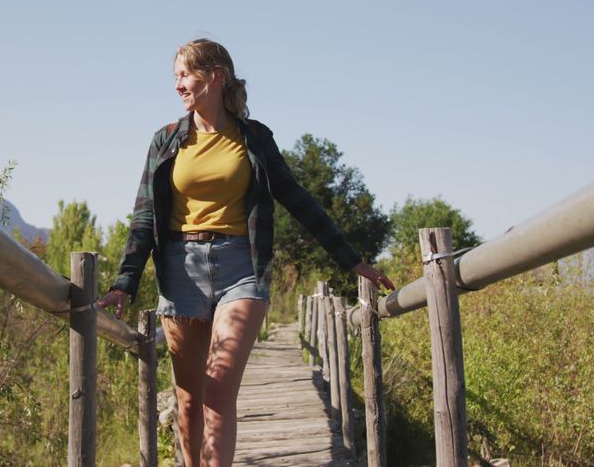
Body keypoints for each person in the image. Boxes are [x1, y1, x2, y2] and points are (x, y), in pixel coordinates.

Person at [97, 39, 394, 467]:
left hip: (242, 268)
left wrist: (353, 260)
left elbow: (299, 200)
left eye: (185, 75)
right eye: (175, 76)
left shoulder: (254, 139)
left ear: (214, 76)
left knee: (217, 389)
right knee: (188, 401)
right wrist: (124, 282)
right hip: (181, 270)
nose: (178, 85)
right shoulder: (165, 141)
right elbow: (144, 219)